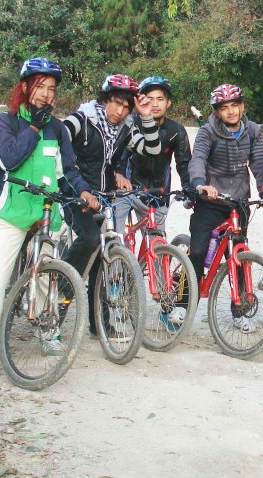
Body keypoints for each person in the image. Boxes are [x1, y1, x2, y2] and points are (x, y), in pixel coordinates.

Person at [0, 57, 92, 381]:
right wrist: (33, 127)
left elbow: (68, 170)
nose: (46, 94)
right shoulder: (6, 122)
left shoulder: (59, 129)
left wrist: (83, 191)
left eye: (51, 89)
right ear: (25, 87)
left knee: (46, 275)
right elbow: (11, 158)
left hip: (45, 212)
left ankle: (47, 330)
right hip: (10, 211)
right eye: (39, 86)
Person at [61, 73, 160, 339]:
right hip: (73, 193)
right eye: (116, 102)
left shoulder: (125, 128)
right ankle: (59, 290)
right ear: (105, 99)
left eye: (126, 106)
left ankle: (100, 322)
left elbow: (151, 149)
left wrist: (145, 115)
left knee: (99, 261)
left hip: (101, 197)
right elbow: (59, 140)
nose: (120, 110)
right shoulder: (82, 119)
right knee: (91, 239)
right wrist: (80, 187)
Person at [187, 83, 263, 332]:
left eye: (235, 105)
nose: (231, 111)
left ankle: (240, 312)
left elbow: (258, 164)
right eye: (224, 108)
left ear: (242, 106)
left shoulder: (253, 131)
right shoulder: (207, 132)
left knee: (238, 258)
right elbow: (199, 159)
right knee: (197, 251)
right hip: (211, 201)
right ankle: (183, 303)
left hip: (239, 203)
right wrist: (200, 184)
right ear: (217, 112)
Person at [113, 75, 192, 236]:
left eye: (160, 99)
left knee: (156, 248)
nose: (155, 104)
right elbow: (121, 153)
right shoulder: (132, 123)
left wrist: (189, 189)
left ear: (168, 102)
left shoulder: (176, 131)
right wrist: (119, 174)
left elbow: (184, 164)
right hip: (128, 189)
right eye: (149, 99)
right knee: (116, 238)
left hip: (158, 193)